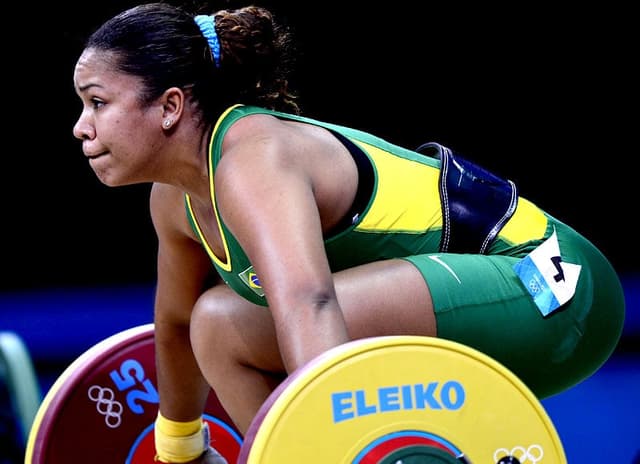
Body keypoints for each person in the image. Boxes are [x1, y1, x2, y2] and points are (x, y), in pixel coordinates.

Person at [72, 3, 625, 463]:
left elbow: (310, 304)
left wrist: (338, 442)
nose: (81, 126)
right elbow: (174, 324)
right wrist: (179, 450)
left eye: (98, 102)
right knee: (215, 326)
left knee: (229, 326)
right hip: (486, 302)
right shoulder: (174, 200)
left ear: (169, 106)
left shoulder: (250, 157)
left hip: (554, 290)